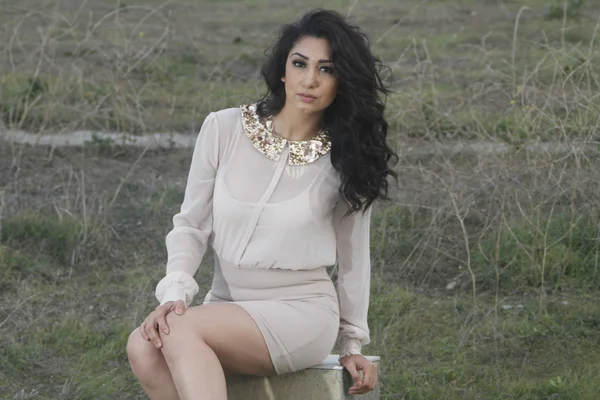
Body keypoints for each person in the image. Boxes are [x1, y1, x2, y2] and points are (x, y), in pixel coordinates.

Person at [126, 8, 397, 400]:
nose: (309, 79)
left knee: (179, 331)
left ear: (342, 82)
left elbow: (355, 257)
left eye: (326, 69)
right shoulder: (223, 129)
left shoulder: (346, 159)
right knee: (143, 345)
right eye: (300, 63)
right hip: (227, 301)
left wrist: (351, 344)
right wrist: (175, 296)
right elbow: (191, 224)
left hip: (301, 311)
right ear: (283, 70)